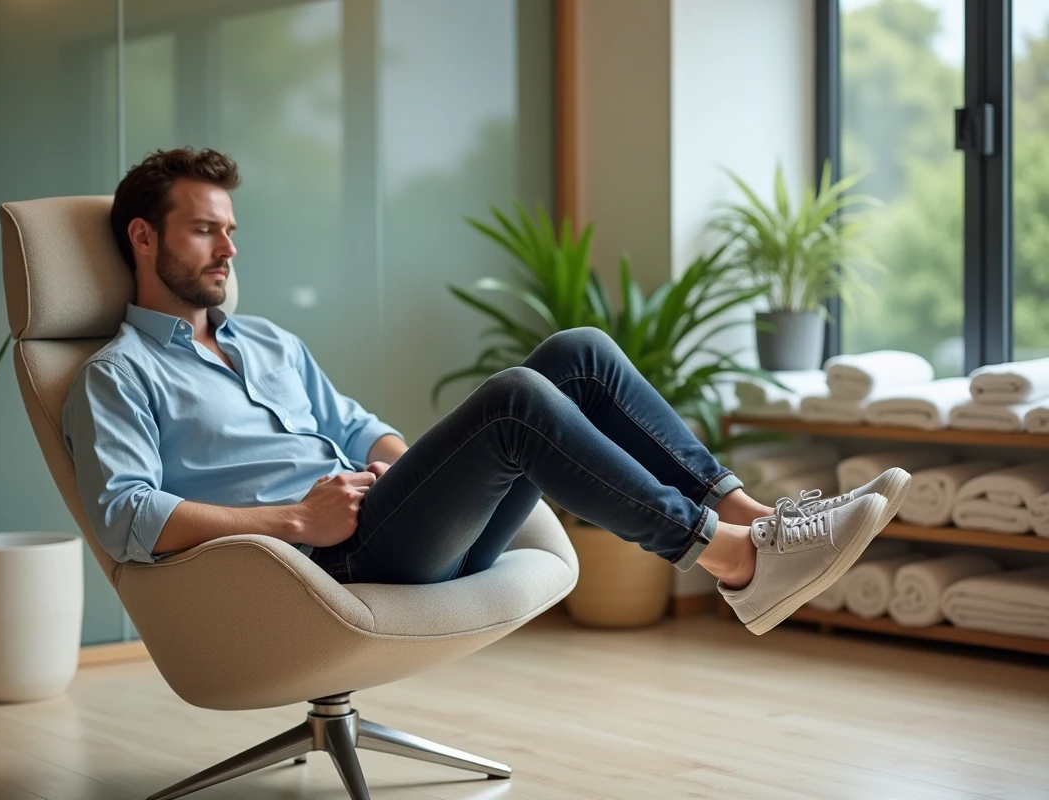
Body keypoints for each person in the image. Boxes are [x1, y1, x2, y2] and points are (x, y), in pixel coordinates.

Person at [62, 147, 911, 636]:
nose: (228, 250)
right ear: (144, 238)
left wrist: (398, 468)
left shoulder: (271, 343)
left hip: (395, 523)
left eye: (231, 232)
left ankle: (754, 523)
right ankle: (728, 560)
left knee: (579, 353)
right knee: (515, 401)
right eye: (205, 230)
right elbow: (126, 516)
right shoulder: (117, 375)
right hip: (323, 560)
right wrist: (294, 520)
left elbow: (358, 427)